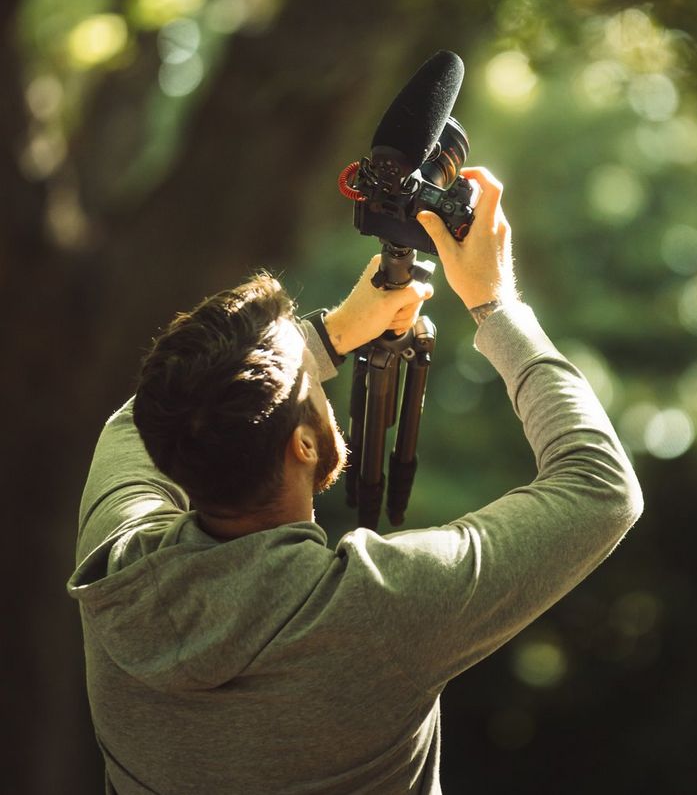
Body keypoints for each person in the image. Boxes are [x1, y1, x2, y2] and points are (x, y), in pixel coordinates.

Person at [68, 167, 643, 795]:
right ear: (303, 444)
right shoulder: (381, 609)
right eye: (309, 379)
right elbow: (600, 486)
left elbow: (145, 416)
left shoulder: (114, 571)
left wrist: (336, 330)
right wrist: (496, 304)